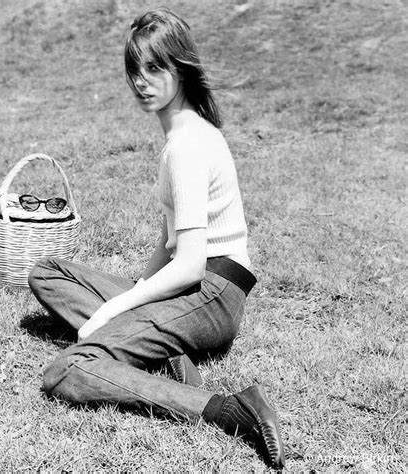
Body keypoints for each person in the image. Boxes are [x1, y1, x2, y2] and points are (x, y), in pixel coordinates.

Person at [28, 7, 285, 469]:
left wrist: (112, 309)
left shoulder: (187, 145)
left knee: (68, 369)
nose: (141, 81)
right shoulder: (185, 133)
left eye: (154, 68)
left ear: (180, 69)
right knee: (48, 273)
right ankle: (166, 349)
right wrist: (137, 297)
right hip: (198, 286)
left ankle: (229, 410)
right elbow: (170, 242)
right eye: (135, 70)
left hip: (211, 292)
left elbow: (188, 265)